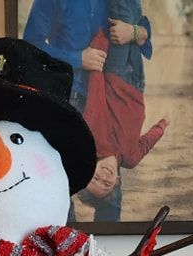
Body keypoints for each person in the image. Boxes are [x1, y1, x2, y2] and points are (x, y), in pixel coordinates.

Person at [23, 0, 120, 220]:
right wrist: (77, 58)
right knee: (62, 178)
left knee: (110, 184)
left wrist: (136, 32)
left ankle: (115, 251)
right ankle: (67, 245)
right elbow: (31, 44)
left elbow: (138, 24)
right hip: (69, 96)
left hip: (107, 96)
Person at [80, 1, 167, 217]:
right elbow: (146, 142)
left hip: (114, 75)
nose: (104, 177)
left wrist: (100, 47)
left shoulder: (95, 140)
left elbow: (96, 97)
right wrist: (163, 124)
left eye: (95, 178)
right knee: (134, 20)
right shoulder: (129, 159)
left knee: (122, 16)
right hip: (137, 85)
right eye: (107, 185)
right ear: (117, 182)